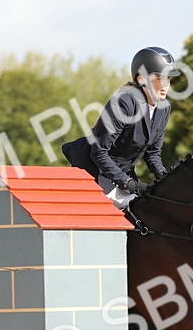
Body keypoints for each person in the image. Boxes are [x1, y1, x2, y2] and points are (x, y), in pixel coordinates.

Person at [61, 46, 180, 210]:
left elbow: (153, 153)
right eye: (159, 78)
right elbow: (99, 152)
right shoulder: (124, 102)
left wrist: (166, 179)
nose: (165, 85)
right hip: (95, 174)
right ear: (141, 79)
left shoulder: (164, 107)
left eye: (168, 79)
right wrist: (129, 184)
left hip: (122, 176)